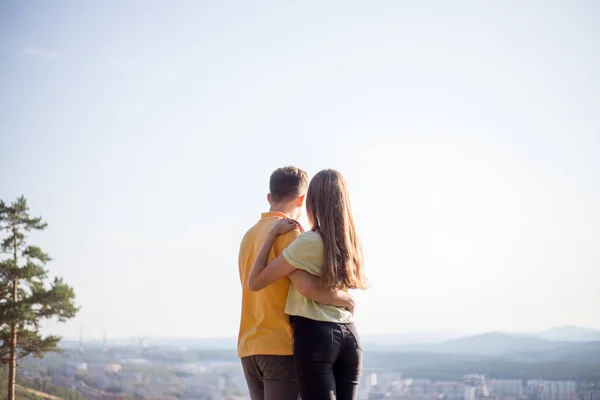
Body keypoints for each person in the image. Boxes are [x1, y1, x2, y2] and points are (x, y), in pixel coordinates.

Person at [238, 166, 355, 400]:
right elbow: (307, 287)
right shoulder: (291, 234)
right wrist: (346, 300)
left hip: (249, 345)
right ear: (302, 199)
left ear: (270, 197)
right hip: (281, 345)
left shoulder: (248, 236)